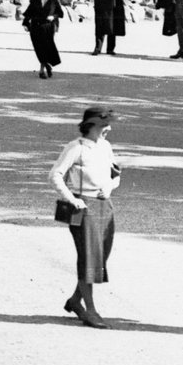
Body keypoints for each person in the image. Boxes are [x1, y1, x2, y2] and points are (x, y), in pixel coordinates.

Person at [49, 106, 122, 329]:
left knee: (99, 259)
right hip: (83, 208)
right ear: (90, 125)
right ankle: (90, 310)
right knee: (88, 259)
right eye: (103, 125)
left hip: (104, 206)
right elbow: (55, 175)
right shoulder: (76, 148)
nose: (108, 129)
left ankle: (75, 301)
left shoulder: (106, 147)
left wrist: (109, 187)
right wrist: (73, 199)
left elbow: (116, 175)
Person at [23, 0, 65, 79]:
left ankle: (42, 70)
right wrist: (25, 23)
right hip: (35, 26)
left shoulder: (53, 0)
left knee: (46, 48)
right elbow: (29, 12)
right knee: (38, 48)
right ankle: (47, 65)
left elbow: (60, 13)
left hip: (48, 27)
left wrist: (53, 16)